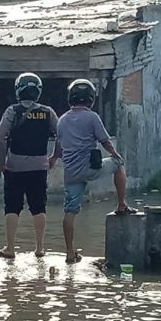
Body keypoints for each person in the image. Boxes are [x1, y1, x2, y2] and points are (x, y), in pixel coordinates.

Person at [55, 79, 137, 264]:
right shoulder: (92, 117)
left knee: (70, 211)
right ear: (90, 99)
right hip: (90, 169)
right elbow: (105, 141)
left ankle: (69, 252)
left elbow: (58, 148)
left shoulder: (62, 120)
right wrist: (116, 154)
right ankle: (122, 204)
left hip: (71, 173)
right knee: (118, 164)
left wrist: (53, 159)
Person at [0, 73, 60, 259]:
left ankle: (10, 248)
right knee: (39, 207)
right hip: (39, 166)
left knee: (12, 206)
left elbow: (1, 137)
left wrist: (1, 161)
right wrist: (55, 156)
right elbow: (60, 134)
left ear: (18, 91)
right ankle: (39, 249)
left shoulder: (12, 111)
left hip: (14, 167)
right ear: (38, 92)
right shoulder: (48, 112)